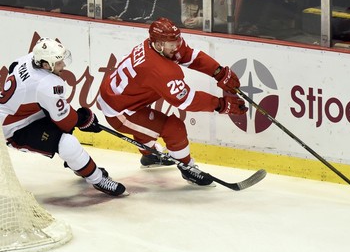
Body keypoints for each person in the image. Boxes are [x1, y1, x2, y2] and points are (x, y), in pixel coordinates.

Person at [97, 17, 247, 186]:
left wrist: (218, 72)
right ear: (159, 44)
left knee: (148, 123)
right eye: (171, 44)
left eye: (177, 40)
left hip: (124, 97)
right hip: (119, 111)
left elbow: (189, 55)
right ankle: (188, 169)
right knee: (174, 128)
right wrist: (221, 105)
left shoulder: (160, 45)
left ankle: (149, 156)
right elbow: (187, 101)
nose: (176, 46)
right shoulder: (158, 69)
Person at [0, 37, 126, 196]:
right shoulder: (47, 83)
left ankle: (80, 167)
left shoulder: (29, 59)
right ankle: (98, 180)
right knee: (67, 142)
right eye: (59, 62)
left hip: (25, 113)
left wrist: (80, 119)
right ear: (46, 65)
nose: (64, 65)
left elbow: (13, 68)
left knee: (64, 135)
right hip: (16, 129)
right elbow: (65, 121)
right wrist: (84, 120)